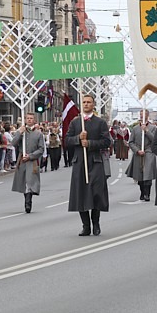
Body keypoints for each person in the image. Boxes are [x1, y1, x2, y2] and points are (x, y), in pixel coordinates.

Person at [66, 94, 111, 236]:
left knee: (96, 193)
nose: (86, 104)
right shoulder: (75, 123)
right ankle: (86, 225)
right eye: (84, 102)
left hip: (95, 161)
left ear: (93, 104)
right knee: (80, 193)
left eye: (89, 102)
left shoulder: (100, 122)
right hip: (79, 162)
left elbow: (106, 142)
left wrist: (90, 143)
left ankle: (95, 222)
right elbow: (67, 141)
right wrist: (78, 139)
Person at [11, 113, 44, 214]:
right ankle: (26, 198)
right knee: (24, 181)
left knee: (31, 181)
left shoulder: (39, 134)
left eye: (31, 118)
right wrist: (19, 133)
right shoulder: (21, 132)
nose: (29, 120)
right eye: (27, 118)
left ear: (34, 120)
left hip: (32, 160)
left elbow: (41, 149)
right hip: (22, 160)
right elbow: (13, 143)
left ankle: (28, 201)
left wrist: (31, 156)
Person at [126, 110, 157, 202]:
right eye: (140, 114)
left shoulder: (153, 128)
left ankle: (147, 193)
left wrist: (147, 131)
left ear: (147, 116)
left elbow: (155, 140)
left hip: (149, 151)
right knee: (139, 175)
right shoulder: (135, 129)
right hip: (138, 152)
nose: (142, 116)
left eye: (144, 114)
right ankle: (142, 192)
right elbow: (131, 142)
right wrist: (137, 150)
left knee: (147, 173)